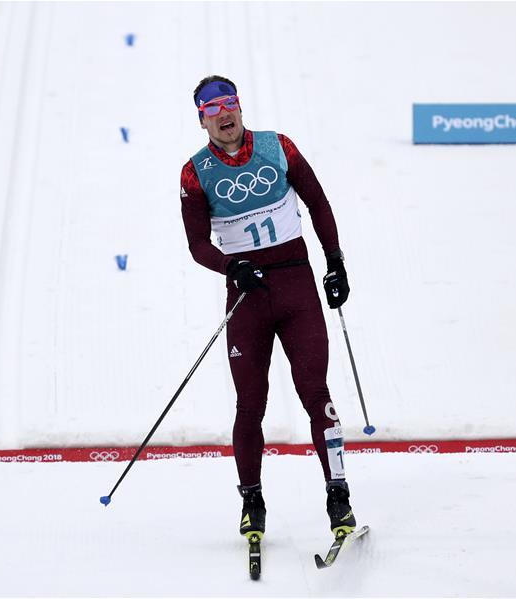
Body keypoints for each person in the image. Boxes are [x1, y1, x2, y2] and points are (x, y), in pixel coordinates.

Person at [179, 75, 357, 541]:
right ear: (202, 118)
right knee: (250, 404)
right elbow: (198, 244)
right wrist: (230, 267)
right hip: (247, 298)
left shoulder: (279, 147)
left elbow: (317, 203)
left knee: (316, 393)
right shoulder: (194, 173)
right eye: (212, 108)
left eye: (230, 103)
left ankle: (338, 495)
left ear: (240, 107)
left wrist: (335, 263)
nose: (224, 114)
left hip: (297, 287)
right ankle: (251, 502)